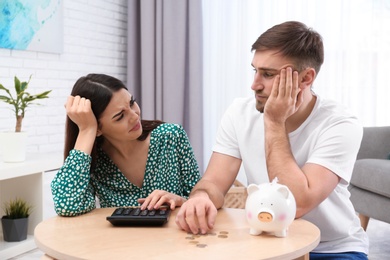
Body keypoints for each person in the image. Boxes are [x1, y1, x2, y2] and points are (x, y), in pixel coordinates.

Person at [175, 21, 369, 259]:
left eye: (267, 74)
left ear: (306, 78)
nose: (254, 84)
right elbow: (213, 182)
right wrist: (201, 198)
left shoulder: (340, 123)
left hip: (332, 248)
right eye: (254, 70)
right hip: (266, 244)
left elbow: (297, 204)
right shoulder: (239, 112)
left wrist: (274, 122)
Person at [51, 73, 200, 217]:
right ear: (98, 128)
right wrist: (86, 130)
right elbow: (67, 206)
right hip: (120, 242)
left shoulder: (171, 136)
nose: (135, 115)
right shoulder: (93, 161)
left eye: (132, 102)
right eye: (120, 116)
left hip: (173, 239)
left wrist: (180, 200)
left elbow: (201, 199)